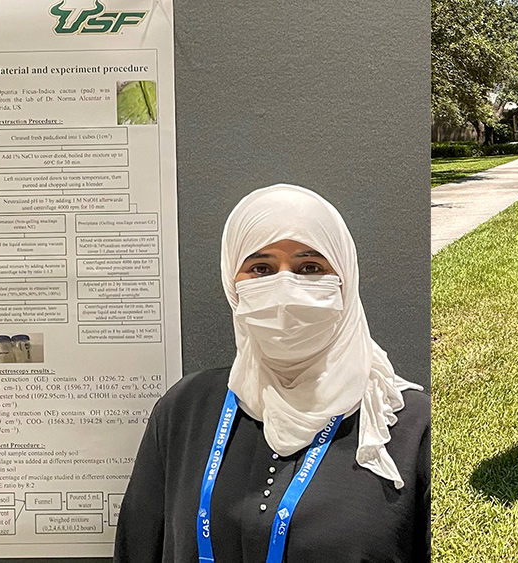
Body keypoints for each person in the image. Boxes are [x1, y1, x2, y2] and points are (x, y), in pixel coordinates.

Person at [114, 184, 430, 562]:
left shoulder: (409, 427)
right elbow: (137, 549)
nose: (284, 286)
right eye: (260, 269)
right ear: (233, 284)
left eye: (310, 268)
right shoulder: (185, 410)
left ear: (345, 281)